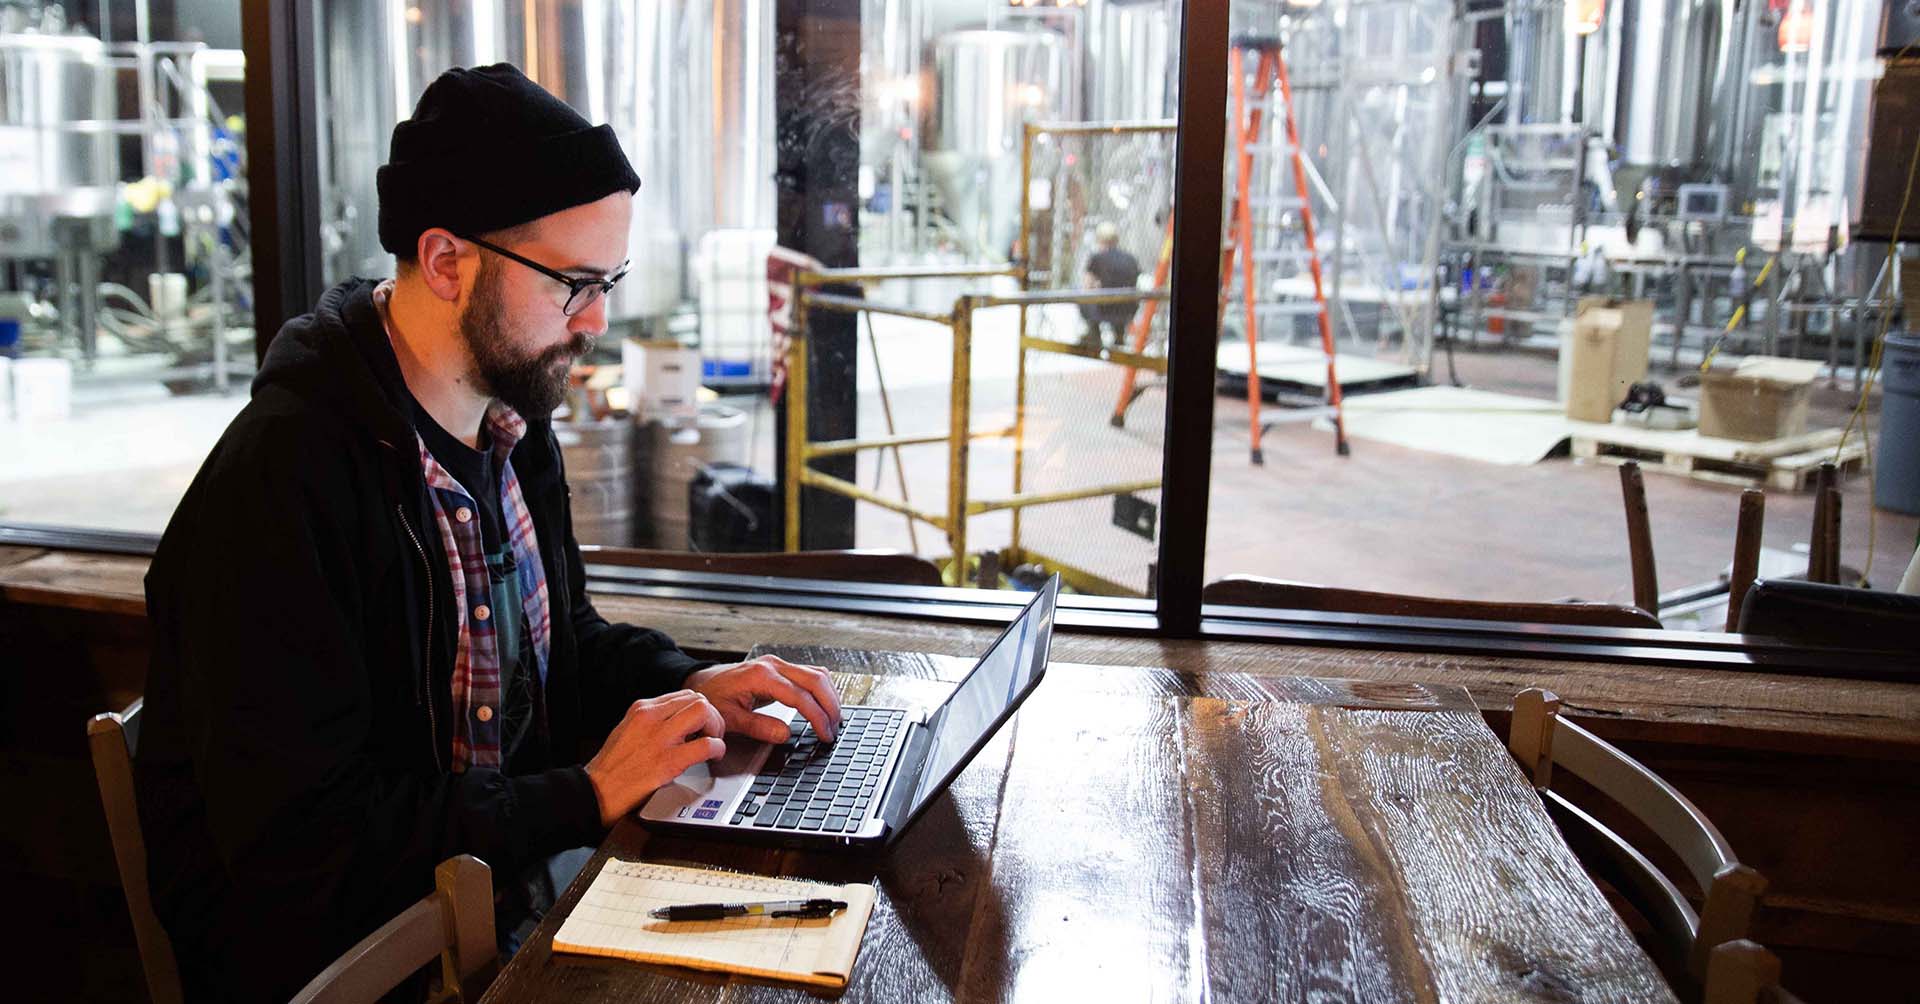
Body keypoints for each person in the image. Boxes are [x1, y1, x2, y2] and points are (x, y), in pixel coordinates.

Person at [134, 63, 844, 1001]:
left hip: (504, 901)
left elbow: (562, 650)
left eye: (610, 281)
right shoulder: (281, 483)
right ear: (445, 261)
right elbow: (303, 850)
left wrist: (690, 688)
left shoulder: (509, 421)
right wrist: (584, 795)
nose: (597, 321)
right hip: (357, 964)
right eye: (574, 284)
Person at [1078, 220, 1142, 350]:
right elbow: (1134, 281)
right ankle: (1119, 334)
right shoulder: (1130, 258)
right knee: (1118, 298)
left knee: (1080, 296)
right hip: (1129, 309)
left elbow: (1087, 285)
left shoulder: (1097, 257)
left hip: (1106, 309)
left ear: (1100, 239)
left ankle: (1094, 333)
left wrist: (1097, 286)